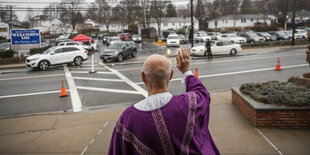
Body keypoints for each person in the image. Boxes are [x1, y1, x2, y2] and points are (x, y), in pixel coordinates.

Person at [108, 49, 219, 155]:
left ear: (143, 77)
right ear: (171, 75)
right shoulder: (190, 104)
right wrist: (186, 71)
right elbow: (202, 92)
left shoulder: (128, 119)